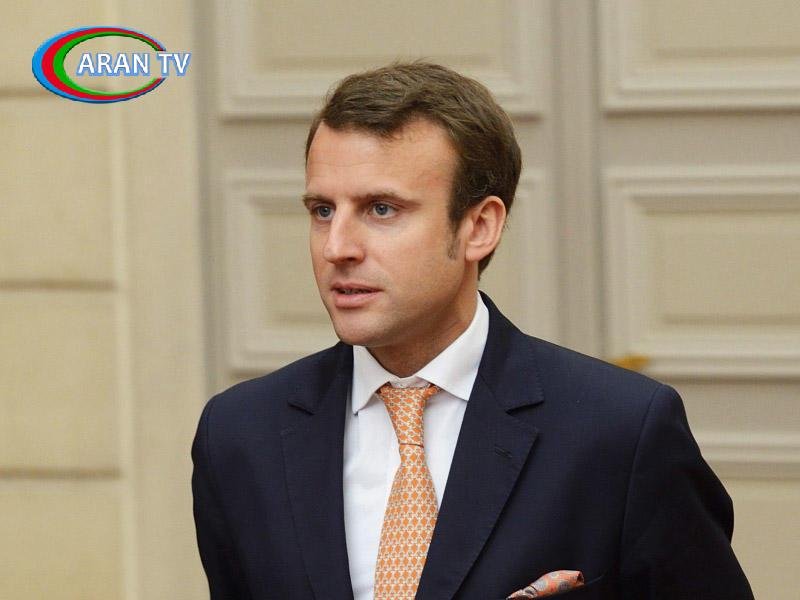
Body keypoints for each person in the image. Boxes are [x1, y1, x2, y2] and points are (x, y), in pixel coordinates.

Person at [192, 62, 753, 600]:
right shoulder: (239, 437)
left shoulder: (621, 432)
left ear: (479, 227)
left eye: (381, 209)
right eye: (321, 210)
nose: (337, 247)